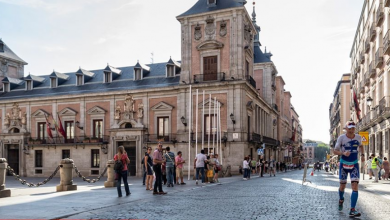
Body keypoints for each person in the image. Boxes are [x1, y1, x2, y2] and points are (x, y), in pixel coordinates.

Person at [334, 121, 364, 217]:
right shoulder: (341, 138)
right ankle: (341, 199)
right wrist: (343, 153)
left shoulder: (358, 137)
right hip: (343, 165)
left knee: (355, 186)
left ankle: (352, 209)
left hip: (354, 164)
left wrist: (362, 155)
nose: (351, 130)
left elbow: (361, 146)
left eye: (353, 128)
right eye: (350, 128)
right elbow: (335, 151)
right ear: (346, 128)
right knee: (342, 186)